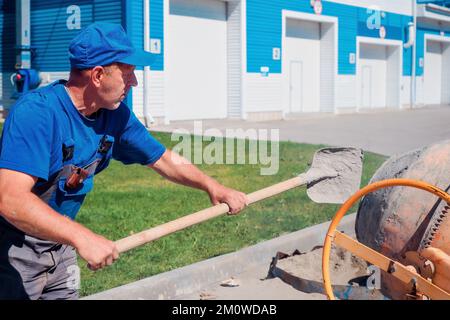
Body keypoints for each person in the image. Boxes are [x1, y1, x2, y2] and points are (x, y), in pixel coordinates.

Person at [0, 22, 248, 300]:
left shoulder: (115, 115)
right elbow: (10, 199)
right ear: (97, 75)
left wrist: (213, 186)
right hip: (12, 252)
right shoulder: (38, 113)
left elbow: (164, 160)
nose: (135, 82)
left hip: (61, 246)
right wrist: (82, 236)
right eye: (128, 74)